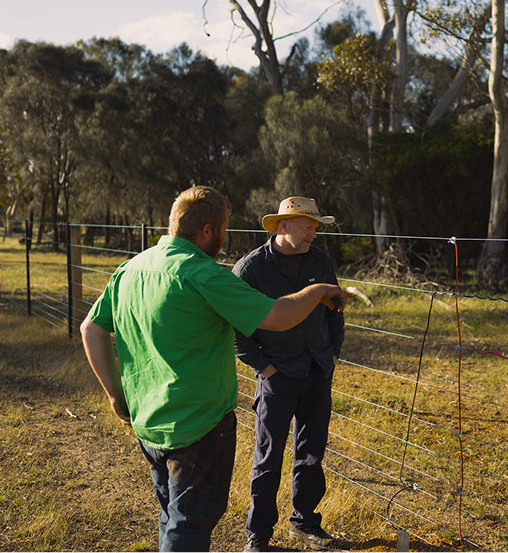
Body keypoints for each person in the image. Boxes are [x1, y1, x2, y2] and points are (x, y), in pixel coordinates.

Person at [80, 186, 350, 553]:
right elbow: (276, 316)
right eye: (223, 228)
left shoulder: (133, 267)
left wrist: (115, 395)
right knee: (189, 527)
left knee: (172, 517)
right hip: (198, 427)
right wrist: (318, 291)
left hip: (149, 424)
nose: (225, 237)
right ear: (207, 230)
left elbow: (91, 329)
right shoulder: (204, 274)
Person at [233, 197, 345, 553]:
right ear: (283, 226)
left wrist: (332, 354)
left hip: (316, 372)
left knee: (311, 454)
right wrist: (265, 368)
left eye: (315, 226)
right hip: (277, 377)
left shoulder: (321, 261)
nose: (314, 233)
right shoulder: (251, 269)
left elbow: (335, 307)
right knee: (268, 457)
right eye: (307, 226)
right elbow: (236, 328)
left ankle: (305, 523)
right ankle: (259, 536)